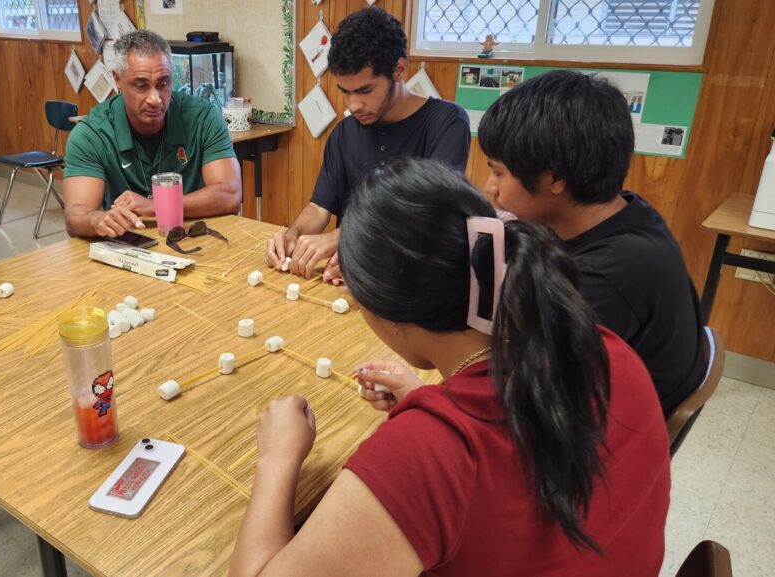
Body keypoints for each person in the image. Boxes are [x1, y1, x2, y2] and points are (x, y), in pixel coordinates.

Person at [229, 158, 670, 577]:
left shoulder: (426, 455)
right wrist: (430, 400)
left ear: (392, 317)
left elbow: (461, 463)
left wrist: (277, 457)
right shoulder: (605, 348)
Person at [478, 70, 706, 415]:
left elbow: (527, 396)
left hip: (608, 435)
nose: (489, 187)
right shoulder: (626, 211)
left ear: (554, 178)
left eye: (498, 172)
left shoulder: (605, 275)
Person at [265, 7, 470, 280]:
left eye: (365, 90)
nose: (353, 105)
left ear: (399, 70)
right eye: (345, 92)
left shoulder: (446, 123)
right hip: (351, 278)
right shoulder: (344, 132)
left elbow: (431, 215)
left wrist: (344, 237)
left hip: (414, 282)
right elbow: (319, 207)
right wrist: (293, 236)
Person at [63, 29, 242, 238]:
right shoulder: (90, 134)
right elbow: (75, 216)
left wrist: (155, 205)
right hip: (130, 245)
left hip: (197, 239)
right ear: (117, 80)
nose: (155, 98)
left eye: (163, 84)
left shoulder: (204, 117)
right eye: (141, 86)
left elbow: (230, 194)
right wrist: (97, 220)